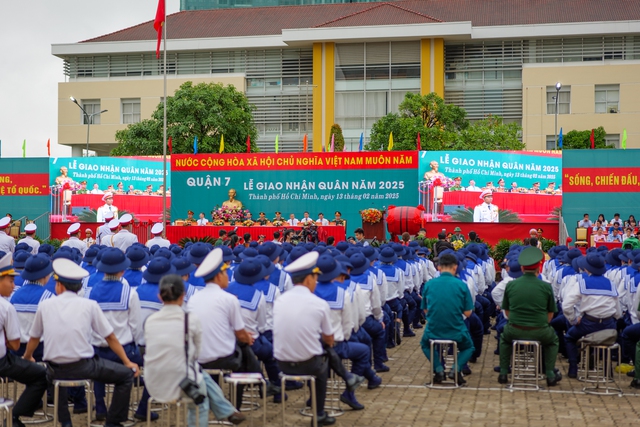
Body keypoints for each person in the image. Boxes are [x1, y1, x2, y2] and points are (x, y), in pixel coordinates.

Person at [23, 258, 139, 427]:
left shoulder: (45, 305)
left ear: (60, 286)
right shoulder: (89, 305)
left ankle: (65, 421)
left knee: (56, 380)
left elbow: (34, 337)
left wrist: (28, 356)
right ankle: (113, 422)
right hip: (84, 367)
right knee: (125, 376)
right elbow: (110, 337)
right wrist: (127, 361)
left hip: (54, 369)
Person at [144, 275, 244, 426]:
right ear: (183, 296)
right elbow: (196, 352)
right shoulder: (190, 319)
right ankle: (226, 411)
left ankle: (228, 411)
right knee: (200, 403)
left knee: (198, 372)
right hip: (181, 381)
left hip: (154, 380)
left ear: (160, 297)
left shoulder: (150, 320)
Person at [188, 249, 258, 410]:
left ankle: (215, 401)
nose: (228, 276)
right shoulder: (229, 299)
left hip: (197, 356)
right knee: (244, 355)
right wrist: (248, 338)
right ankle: (235, 405)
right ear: (219, 276)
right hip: (222, 357)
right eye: (225, 273)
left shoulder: (193, 299)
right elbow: (240, 333)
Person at [87, 247, 151, 421]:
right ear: (122, 270)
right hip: (124, 349)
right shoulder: (129, 293)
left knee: (99, 370)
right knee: (154, 366)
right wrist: (134, 346)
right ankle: (135, 409)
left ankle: (100, 407)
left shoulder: (92, 291)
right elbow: (136, 326)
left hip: (97, 350)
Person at [274, 251, 336, 426]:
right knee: (322, 370)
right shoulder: (318, 303)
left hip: (281, 363)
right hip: (309, 363)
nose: (316, 282)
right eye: (315, 278)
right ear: (309, 279)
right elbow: (330, 338)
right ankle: (319, 412)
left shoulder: (280, 300)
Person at [498, 247, 562, 386]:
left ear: (522, 269)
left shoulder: (511, 285)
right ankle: (550, 373)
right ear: (538, 270)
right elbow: (551, 313)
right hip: (540, 330)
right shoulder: (546, 287)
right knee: (552, 341)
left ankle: (503, 372)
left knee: (504, 339)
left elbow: (506, 311)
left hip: (515, 328)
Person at [0, 253, 49, 427]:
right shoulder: (6, 306)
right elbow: (13, 343)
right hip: (9, 358)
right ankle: (16, 416)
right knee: (42, 375)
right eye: (10, 281)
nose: (13, 286)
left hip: (13, 353)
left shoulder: (14, 299)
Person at [562, 253, 621, 378]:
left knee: (569, 338)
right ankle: (607, 369)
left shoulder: (582, 283)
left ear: (587, 269)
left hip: (588, 323)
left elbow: (566, 305)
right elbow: (618, 311)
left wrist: (573, 320)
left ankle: (573, 367)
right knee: (607, 340)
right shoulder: (611, 284)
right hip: (608, 325)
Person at [420, 253, 474, 385]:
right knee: (469, 347)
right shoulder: (461, 285)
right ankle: (455, 369)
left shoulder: (429, 284)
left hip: (433, 329)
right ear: (455, 267)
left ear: (438, 267)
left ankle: (438, 369)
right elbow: (468, 313)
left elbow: (425, 309)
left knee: (425, 344)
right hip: (456, 329)